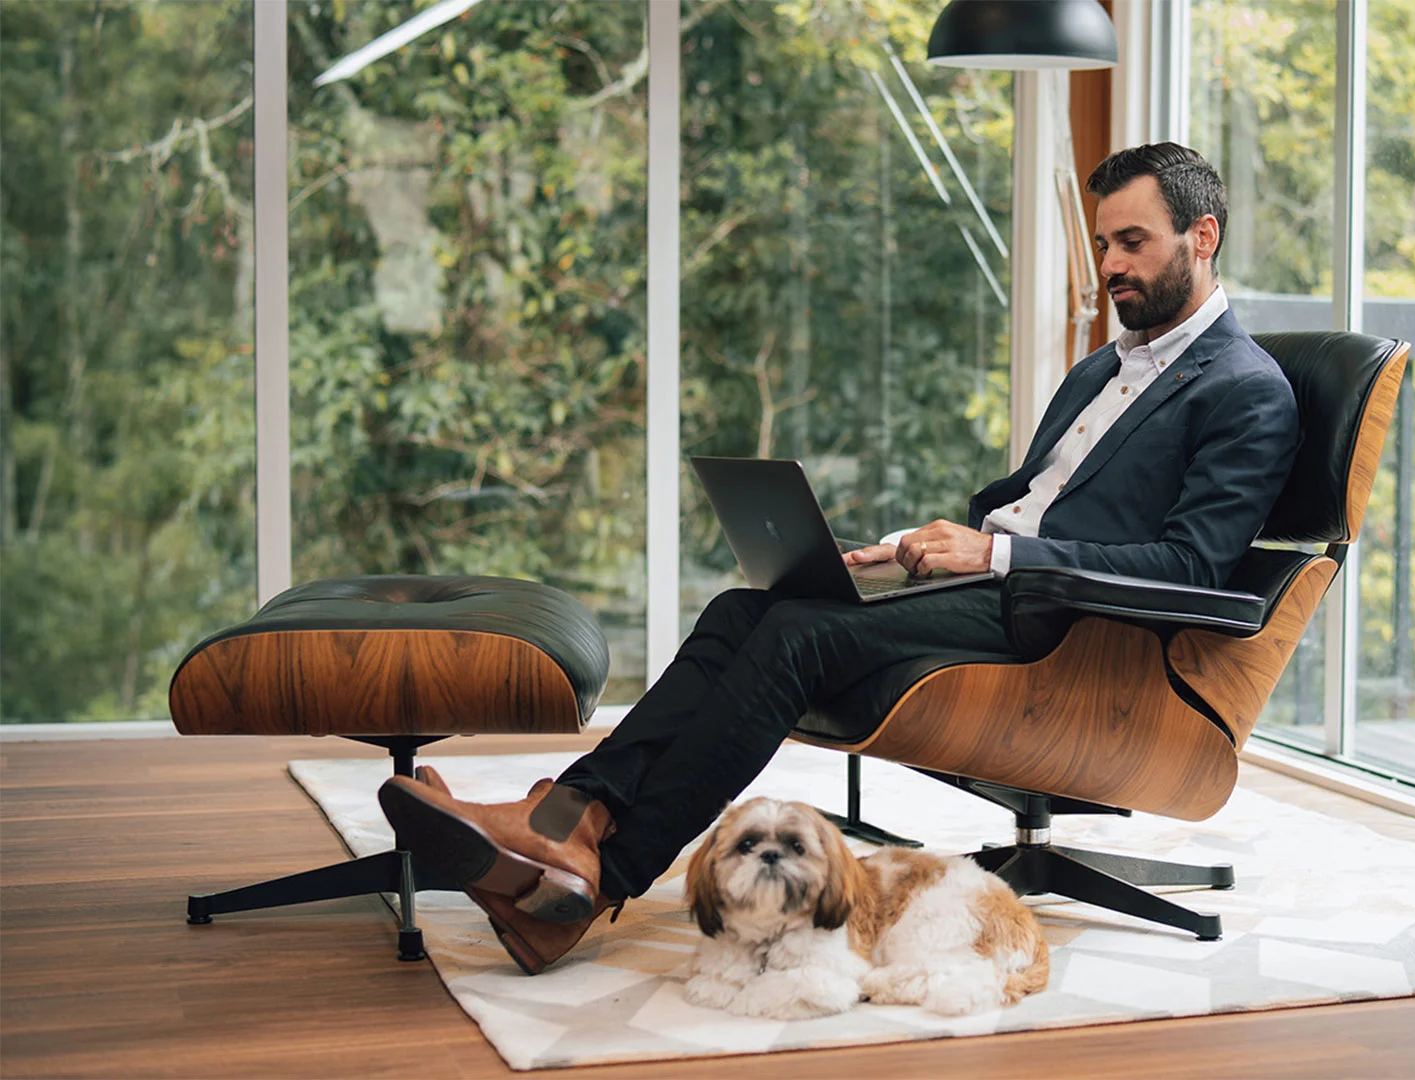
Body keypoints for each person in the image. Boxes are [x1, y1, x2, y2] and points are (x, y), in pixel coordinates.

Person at [379, 143, 1302, 974]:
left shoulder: (1245, 390)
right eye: (1103, 244)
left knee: (793, 637)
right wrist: (919, 546)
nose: (1110, 267)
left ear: (1203, 235)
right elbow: (1029, 497)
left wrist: (999, 552)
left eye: (1133, 242)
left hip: (1067, 633)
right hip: (993, 579)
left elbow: (1191, 568)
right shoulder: (1106, 368)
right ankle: (566, 820)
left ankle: (596, 878)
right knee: (747, 609)